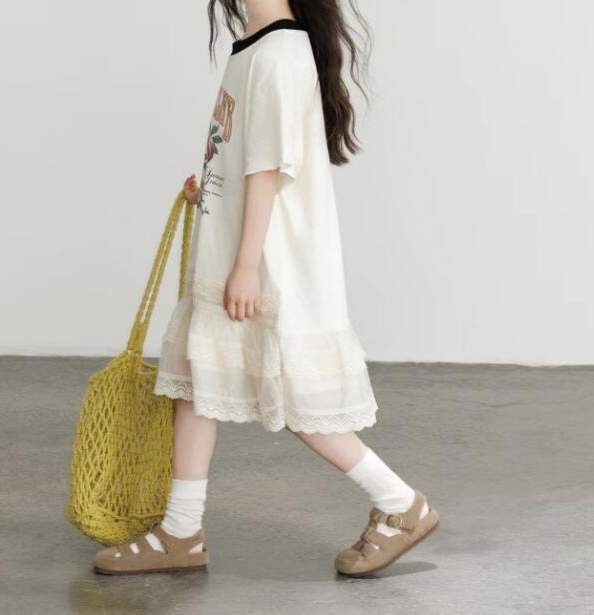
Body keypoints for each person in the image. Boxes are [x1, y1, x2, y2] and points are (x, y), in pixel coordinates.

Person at [93, 0, 439, 577]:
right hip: (236, 255)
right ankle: (181, 531)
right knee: (196, 384)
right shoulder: (255, 48)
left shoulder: (279, 51)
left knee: (295, 399)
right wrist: (210, 191)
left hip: (268, 264)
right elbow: (246, 158)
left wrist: (247, 265)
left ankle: (400, 503)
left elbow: (269, 168)